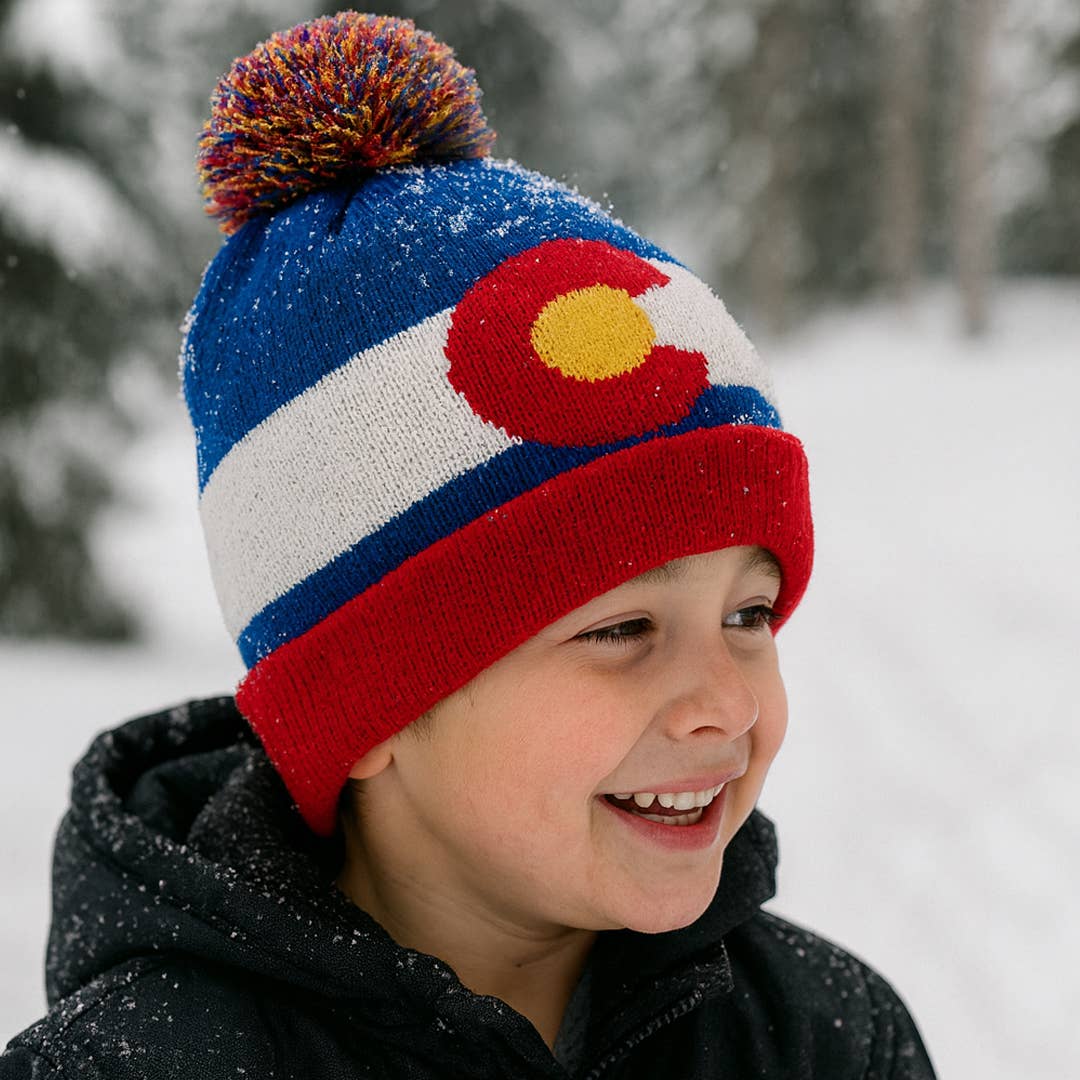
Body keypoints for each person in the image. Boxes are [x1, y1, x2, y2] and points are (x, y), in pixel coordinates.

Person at [0, 11, 937, 1078]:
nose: (726, 702)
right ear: (367, 707)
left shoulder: (820, 1040)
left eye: (748, 615)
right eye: (624, 627)